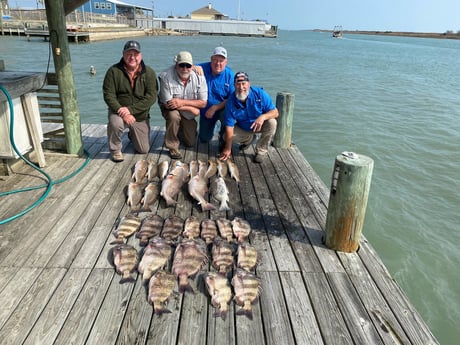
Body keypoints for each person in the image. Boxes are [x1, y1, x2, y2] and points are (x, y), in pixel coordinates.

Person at [103, 40, 158, 162]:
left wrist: (130, 110)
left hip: (140, 116)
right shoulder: (113, 71)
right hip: (119, 112)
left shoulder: (149, 73)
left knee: (143, 150)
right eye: (129, 54)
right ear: (123, 54)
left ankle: (132, 134)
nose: (132, 57)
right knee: (115, 124)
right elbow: (108, 96)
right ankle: (115, 150)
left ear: (141, 55)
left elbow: (151, 97)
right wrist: (123, 112)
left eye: (135, 54)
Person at [219, 71, 278, 163]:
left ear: (249, 84)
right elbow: (229, 126)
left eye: (244, 83)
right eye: (238, 84)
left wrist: (262, 117)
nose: (241, 87)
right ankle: (249, 139)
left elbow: (275, 112)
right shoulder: (230, 101)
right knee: (226, 136)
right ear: (234, 85)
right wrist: (228, 148)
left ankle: (261, 151)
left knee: (272, 122)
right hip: (244, 128)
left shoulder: (260, 94)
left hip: (260, 125)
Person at [158, 51, 208, 160]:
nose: (185, 68)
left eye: (188, 65)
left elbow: (203, 102)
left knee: (190, 142)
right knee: (173, 116)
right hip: (169, 109)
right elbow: (168, 104)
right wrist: (193, 109)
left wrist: (182, 103)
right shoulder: (165, 76)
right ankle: (172, 146)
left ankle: (179, 130)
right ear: (176, 65)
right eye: (181, 65)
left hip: (187, 111)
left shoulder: (200, 77)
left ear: (192, 66)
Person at [196, 47, 234, 146]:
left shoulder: (230, 75)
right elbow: (186, 66)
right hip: (206, 110)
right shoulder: (203, 67)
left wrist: (215, 107)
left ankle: (223, 135)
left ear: (226, 62)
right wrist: (194, 67)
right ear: (211, 59)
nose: (218, 63)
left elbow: (232, 98)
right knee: (204, 139)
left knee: (227, 113)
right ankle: (214, 126)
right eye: (215, 60)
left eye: (221, 61)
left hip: (222, 108)